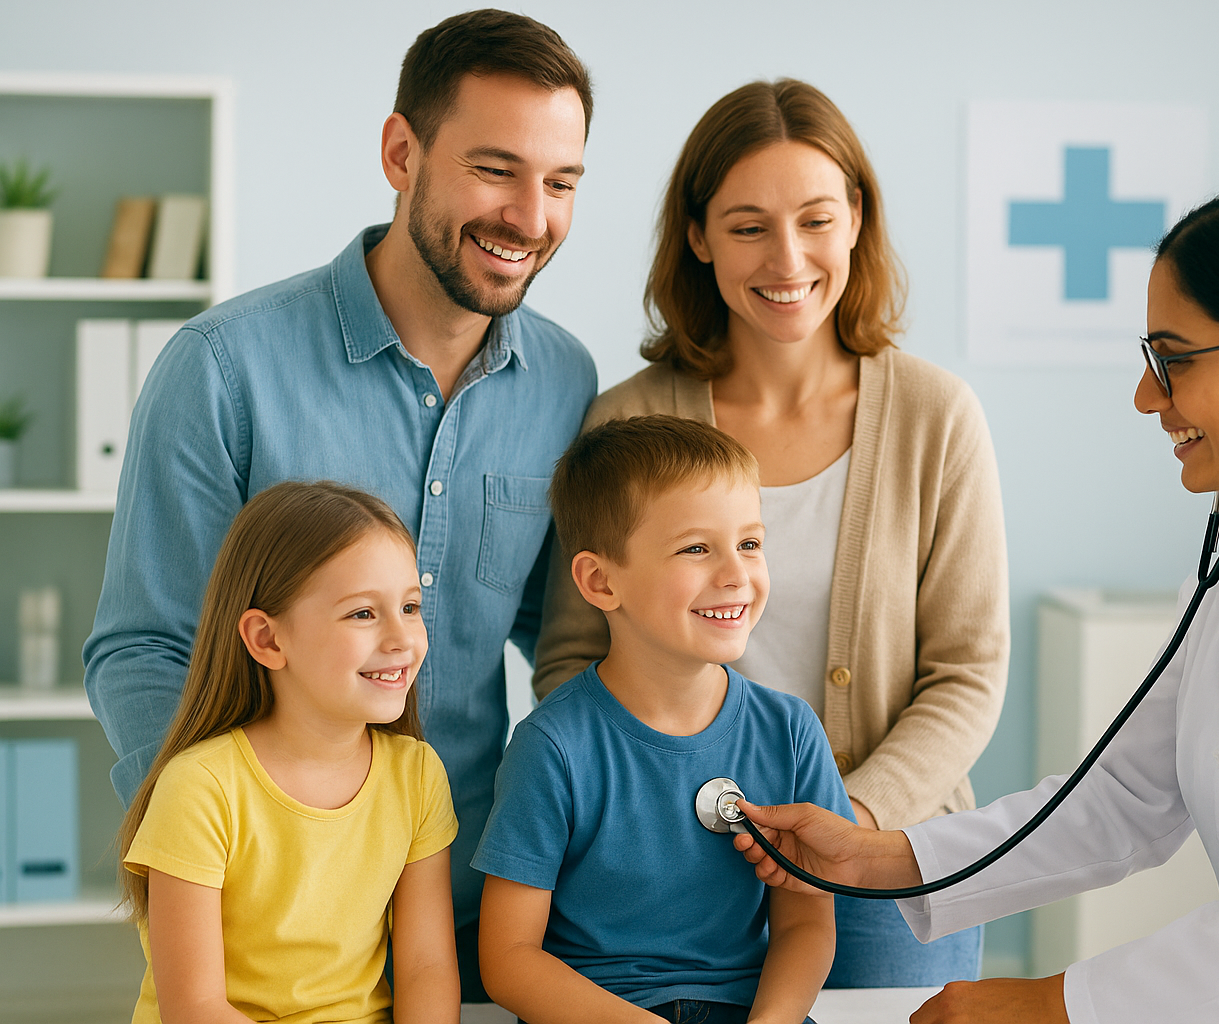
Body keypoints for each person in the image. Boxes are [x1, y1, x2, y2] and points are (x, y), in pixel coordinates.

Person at [732, 177, 1219, 1024]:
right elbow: (1124, 796)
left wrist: (1050, 1006)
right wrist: (874, 857)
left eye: (1173, 360)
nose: (1148, 396)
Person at [83, 10, 597, 998]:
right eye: (496, 170)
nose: (530, 217)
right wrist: (243, 851)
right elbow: (144, 648)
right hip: (274, 926)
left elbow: (566, 639)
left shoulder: (567, 382)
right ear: (401, 153)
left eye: (562, 182)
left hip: (486, 904)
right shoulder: (223, 369)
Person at [532, 78, 1008, 987]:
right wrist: (658, 810)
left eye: (816, 220)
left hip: (885, 857)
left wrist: (850, 821)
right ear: (698, 236)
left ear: (857, 218)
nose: (787, 258)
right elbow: (571, 658)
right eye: (748, 226)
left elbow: (968, 674)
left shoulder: (936, 416)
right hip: (667, 862)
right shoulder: (626, 424)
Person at [475, 415, 852, 1024]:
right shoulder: (552, 746)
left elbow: (806, 923)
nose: (736, 575)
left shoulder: (791, 732)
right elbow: (509, 958)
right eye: (696, 549)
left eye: (750, 544)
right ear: (600, 582)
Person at [118, 481, 458, 1024]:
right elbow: (195, 1007)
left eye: (410, 606)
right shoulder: (200, 788)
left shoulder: (418, 777)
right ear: (268, 640)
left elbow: (427, 968)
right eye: (363, 614)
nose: (402, 638)